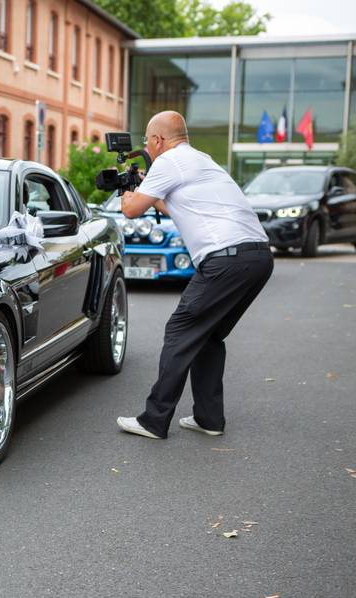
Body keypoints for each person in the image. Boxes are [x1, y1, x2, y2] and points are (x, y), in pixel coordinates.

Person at [116, 111, 273, 440]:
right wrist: (146, 192)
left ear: (158, 140)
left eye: (147, 141)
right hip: (257, 257)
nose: (147, 146)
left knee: (180, 329)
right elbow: (177, 208)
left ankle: (153, 420)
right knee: (209, 335)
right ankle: (209, 419)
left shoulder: (168, 162)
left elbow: (131, 211)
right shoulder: (201, 160)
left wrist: (126, 197)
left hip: (226, 260)